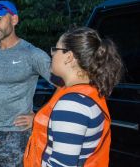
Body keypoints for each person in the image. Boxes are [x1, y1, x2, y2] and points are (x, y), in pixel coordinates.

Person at [23, 27, 123, 167]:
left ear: (69, 57)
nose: (52, 54)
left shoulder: (72, 104)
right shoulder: (88, 93)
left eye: (55, 49)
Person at [0, 0, 52, 167]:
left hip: (17, 135)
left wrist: (39, 117)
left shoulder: (32, 54)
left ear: (14, 20)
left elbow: (66, 85)